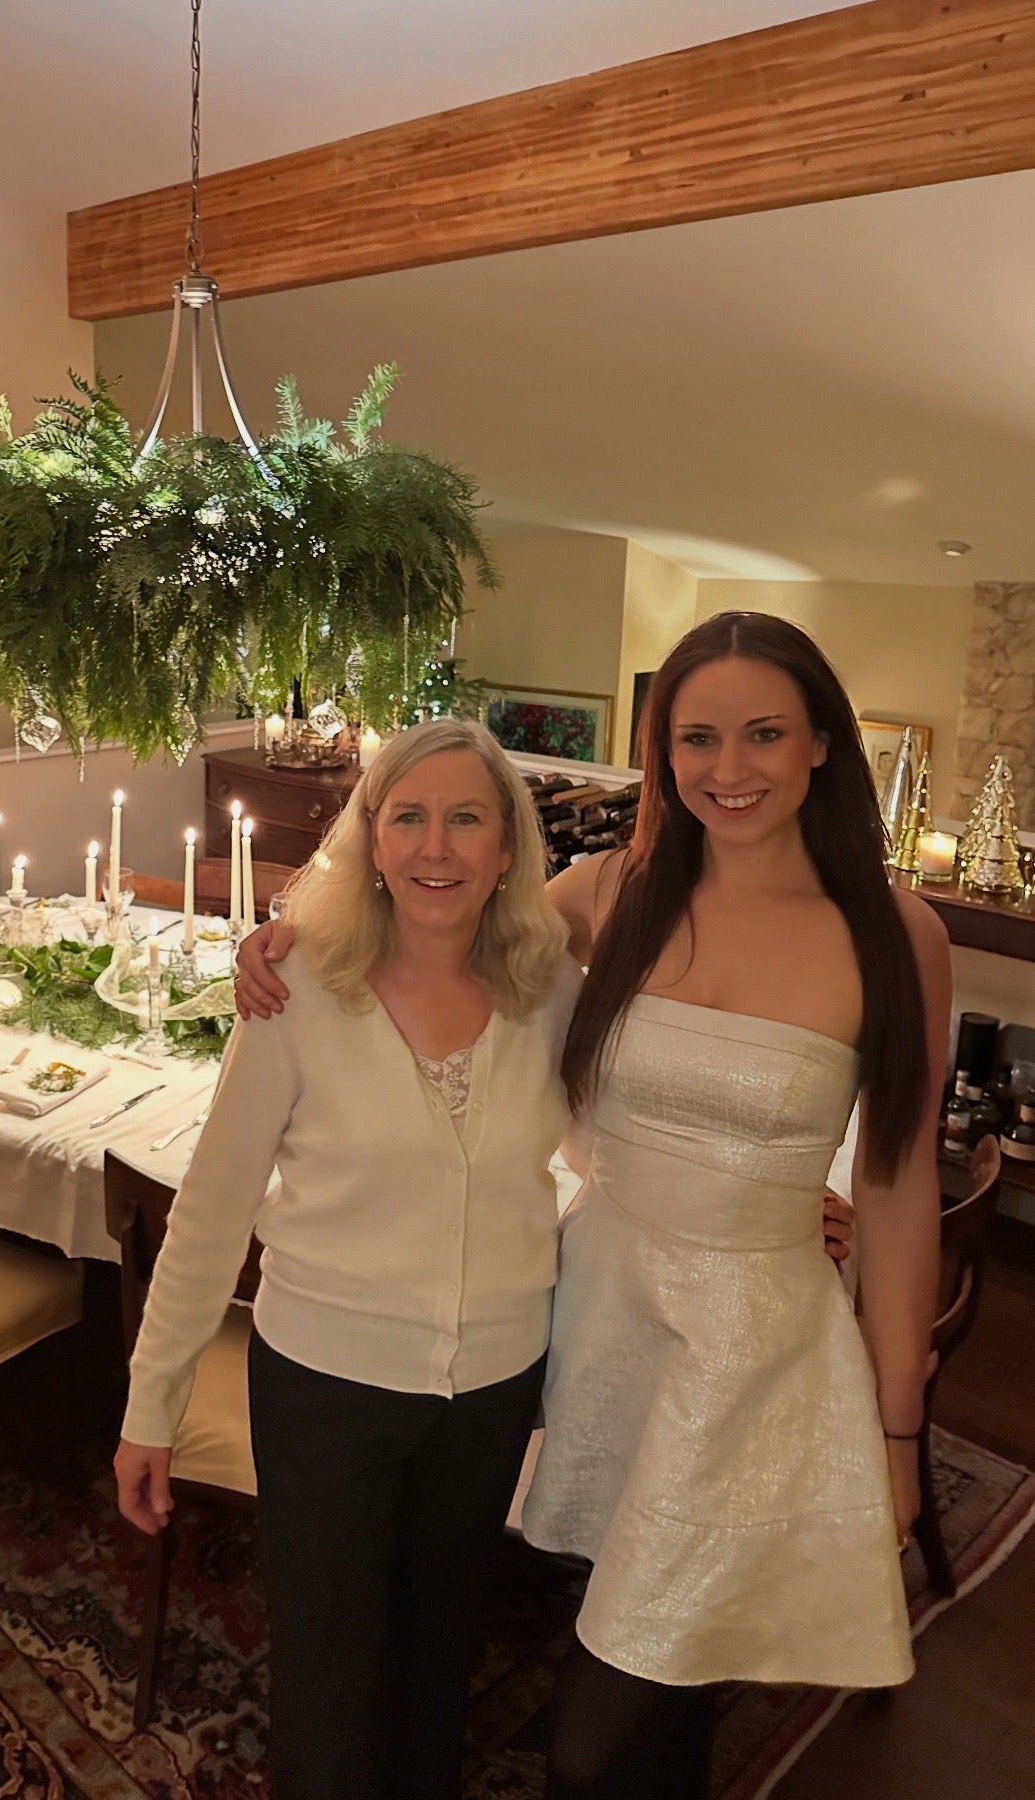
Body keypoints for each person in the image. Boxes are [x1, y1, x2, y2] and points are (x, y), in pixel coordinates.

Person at [236, 612, 944, 1799]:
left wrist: (899, 1427)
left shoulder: (893, 935)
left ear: (822, 741)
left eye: (764, 734)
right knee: (643, 1656)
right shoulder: (606, 894)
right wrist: (285, 939)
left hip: (748, 1355)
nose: (729, 769)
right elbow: (427, 910)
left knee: (599, 1738)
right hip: (593, 1317)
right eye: (697, 738)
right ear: (661, 753)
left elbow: (902, 1182)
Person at [114, 718, 581, 1800]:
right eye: (407, 818)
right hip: (325, 1384)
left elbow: (624, 1155)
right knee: (329, 1671)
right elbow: (213, 1211)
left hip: (493, 1388)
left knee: (438, 1651)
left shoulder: (551, 995)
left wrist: (785, 1209)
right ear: (370, 843)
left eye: (467, 819)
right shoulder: (297, 992)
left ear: (507, 847)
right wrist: (153, 1404)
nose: (435, 848)